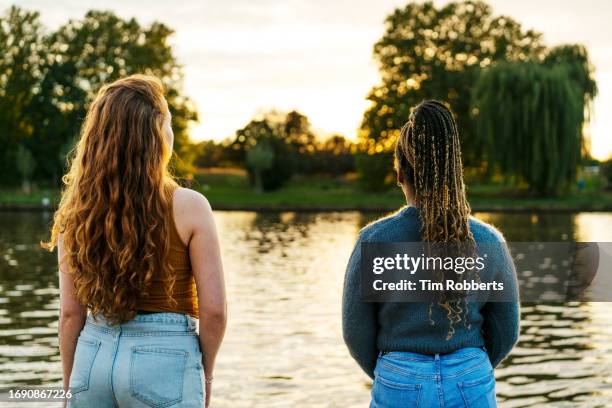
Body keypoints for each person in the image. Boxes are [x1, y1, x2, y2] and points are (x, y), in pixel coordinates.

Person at [43, 75, 227, 408]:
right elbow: (214, 313)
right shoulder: (189, 205)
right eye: (168, 121)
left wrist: (71, 389)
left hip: (92, 356)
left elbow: (71, 314)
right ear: (156, 134)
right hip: (164, 359)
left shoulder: (76, 211)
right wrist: (206, 374)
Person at [342, 100, 519, 408]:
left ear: (400, 173)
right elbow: (506, 330)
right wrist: (465, 365)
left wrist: (398, 372)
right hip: (470, 376)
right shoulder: (489, 241)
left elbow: (356, 332)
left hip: (400, 377)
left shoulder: (373, 240)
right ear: (454, 172)